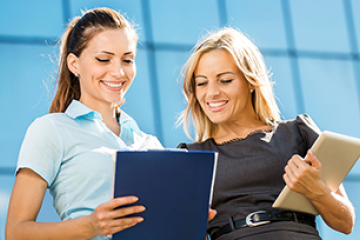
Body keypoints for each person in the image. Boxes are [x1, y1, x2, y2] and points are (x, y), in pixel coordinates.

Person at [178, 27, 355, 240]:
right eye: (202, 83)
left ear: (251, 81)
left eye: (225, 80)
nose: (212, 92)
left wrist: (316, 189)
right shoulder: (191, 157)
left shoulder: (298, 133)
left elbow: (345, 223)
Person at [6, 7, 162, 240]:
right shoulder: (51, 130)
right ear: (74, 64)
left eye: (127, 60)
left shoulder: (150, 143)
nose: (118, 72)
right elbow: (16, 232)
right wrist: (90, 226)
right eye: (103, 59)